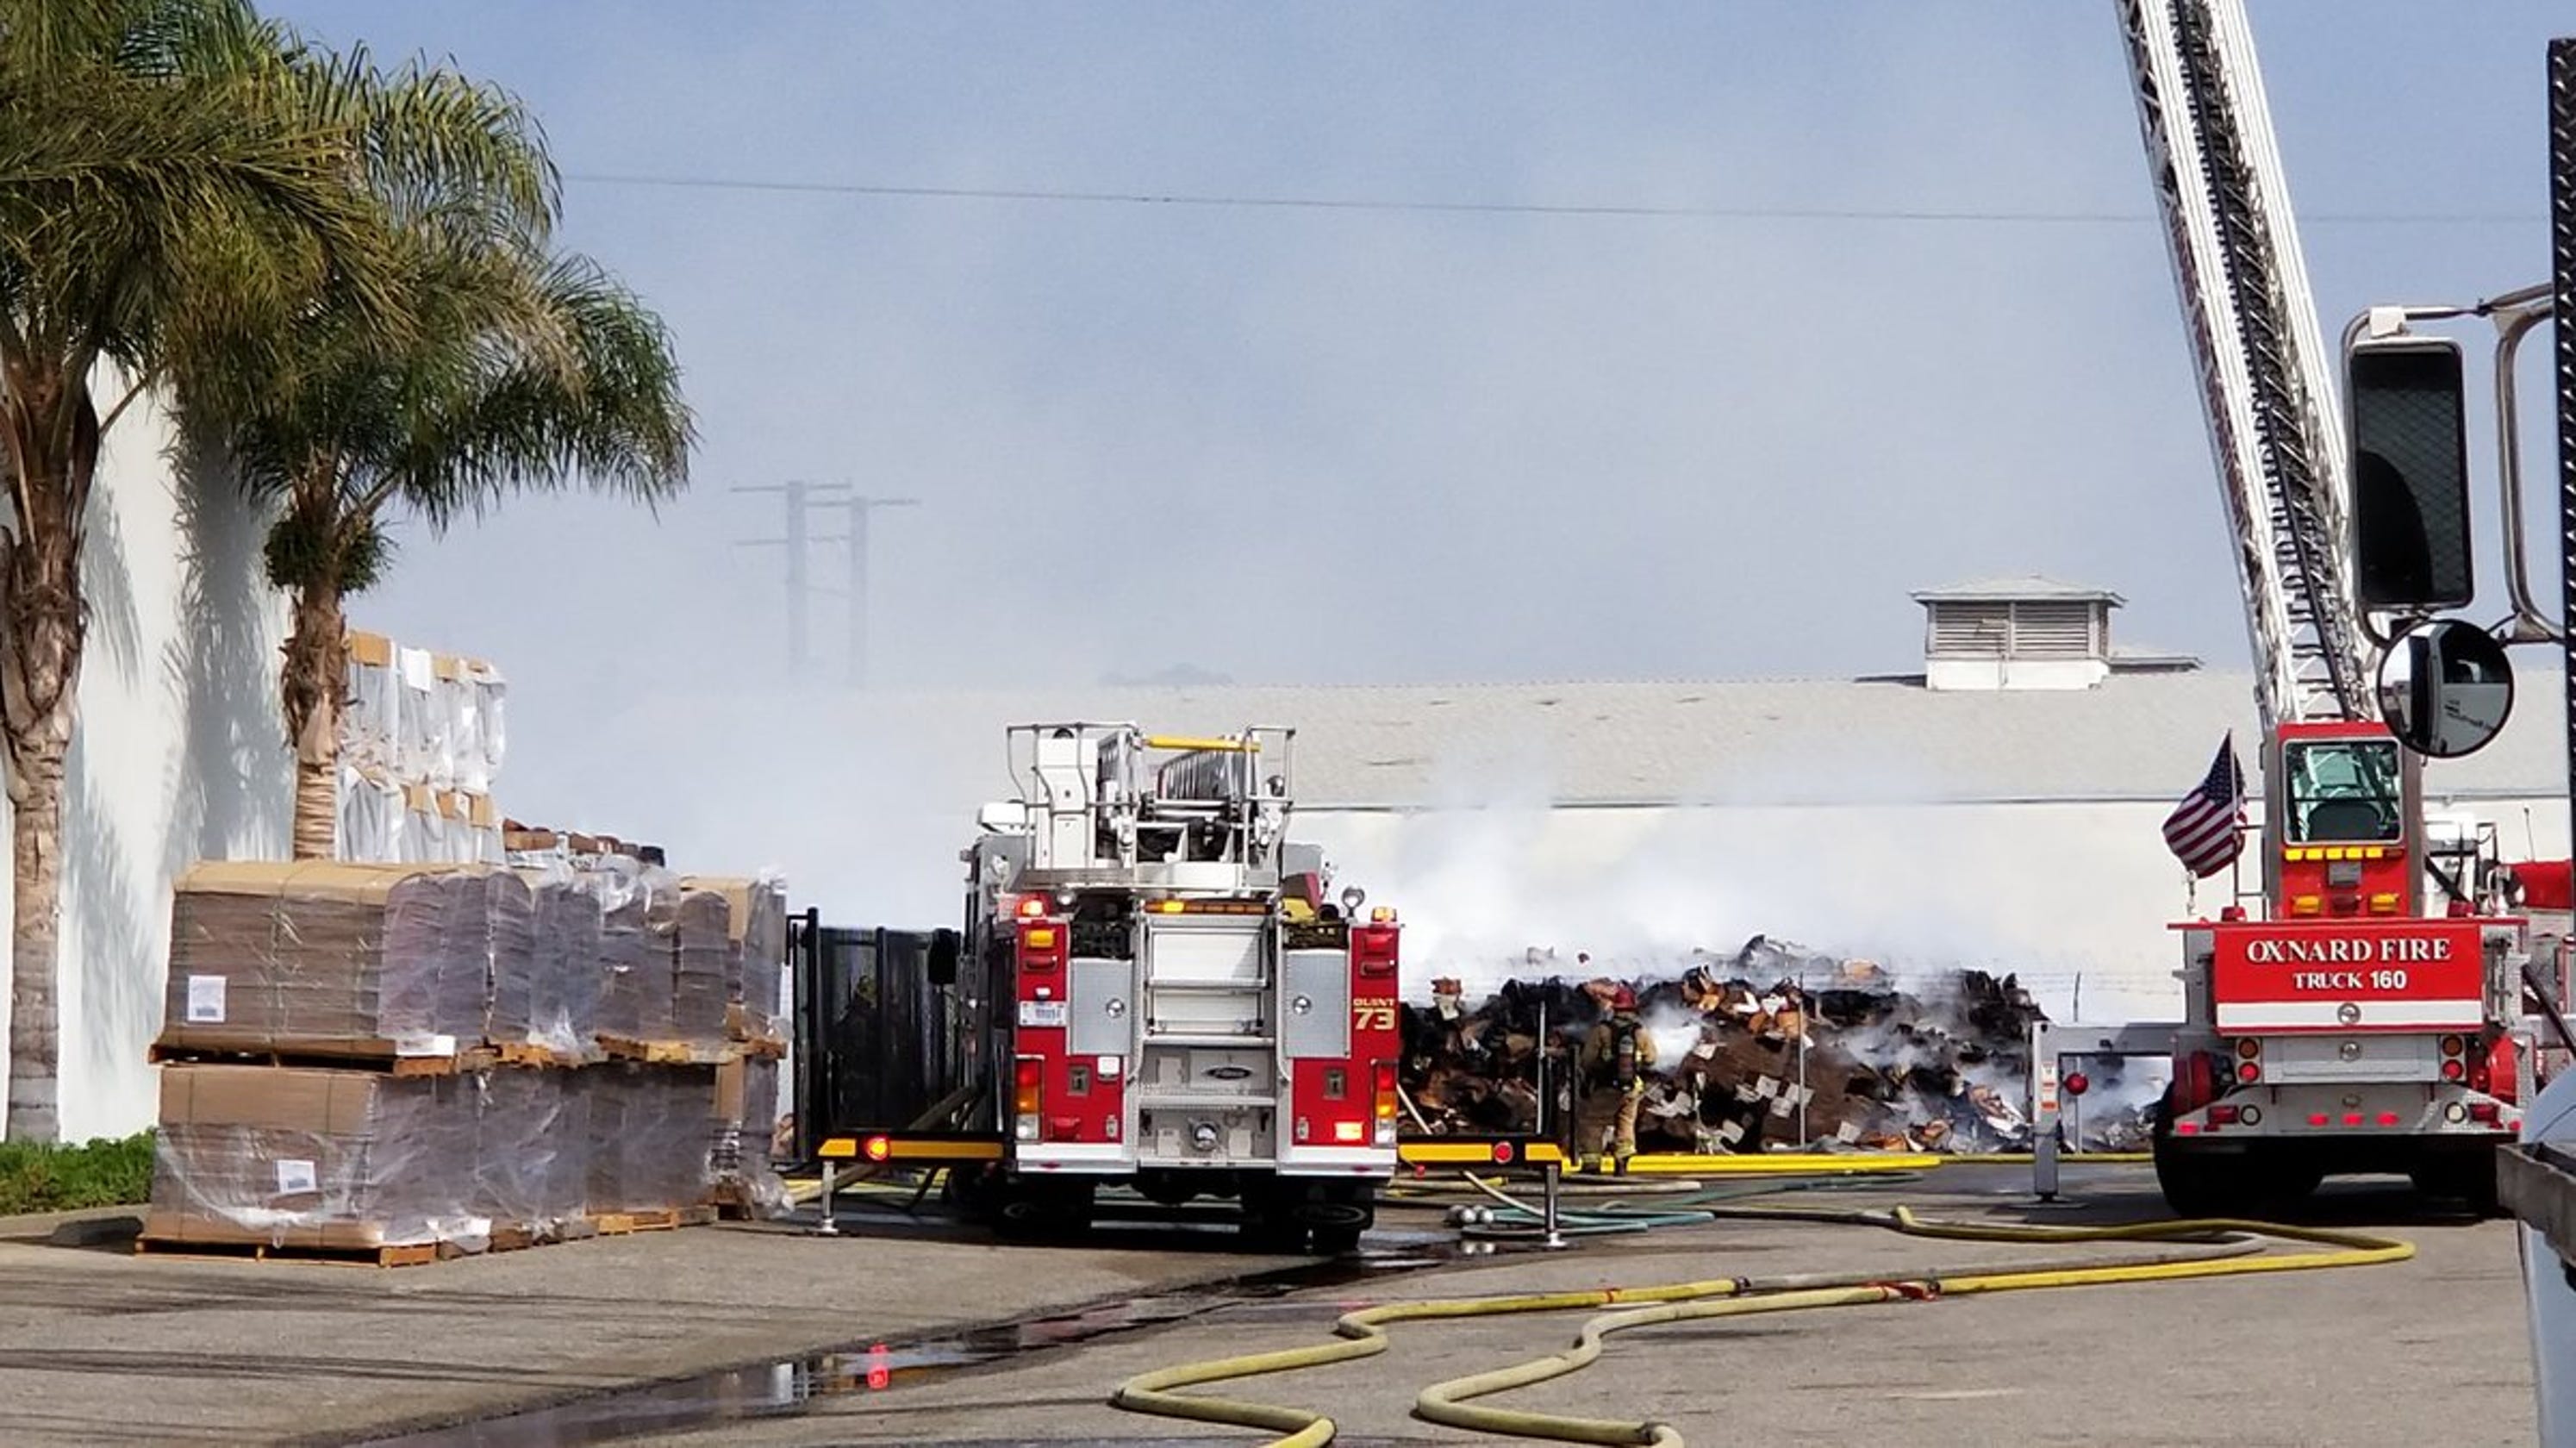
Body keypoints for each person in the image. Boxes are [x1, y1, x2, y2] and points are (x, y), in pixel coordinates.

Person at [1578, 985, 1656, 1171]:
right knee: (1626, 1121)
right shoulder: (1641, 1032)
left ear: (1615, 1009)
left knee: (1593, 1122)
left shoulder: (1602, 1031)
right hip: (1632, 1087)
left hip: (1606, 1087)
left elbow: (1586, 1060)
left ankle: (1592, 1163)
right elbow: (1651, 1059)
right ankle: (1622, 1161)